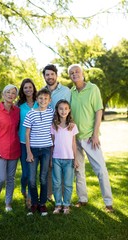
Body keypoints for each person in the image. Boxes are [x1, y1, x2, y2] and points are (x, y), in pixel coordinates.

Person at [68, 63, 113, 212]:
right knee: (78, 170)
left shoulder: (93, 88)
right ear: (70, 76)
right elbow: (70, 113)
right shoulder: (71, 92)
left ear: (83, 73)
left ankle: (108, 203)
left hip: (90, 138)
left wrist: (95, 134)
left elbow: (98, 111)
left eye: (77, 71)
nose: (75, 74)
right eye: (72, 73)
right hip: (75, 138)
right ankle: (82, 199)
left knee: (100, 169)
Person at [0, 84, 20, 212]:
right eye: (8, 92)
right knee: (1, 178)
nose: (10, 95)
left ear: (15, 96)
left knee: (11, 179)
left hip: (14, 149)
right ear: (3, 94)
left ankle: (8, 202)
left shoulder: (17, 111)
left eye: (13, 93)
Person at [42, 64, 71, 201]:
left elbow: (71, 109)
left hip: (62, 132)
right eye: (47, 75)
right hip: (46, 133)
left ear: (56, 75)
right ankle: (49, 194)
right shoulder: (41, 92)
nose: (50, 77)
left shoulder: (66, 91)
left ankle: (65, 196)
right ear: (44, 77)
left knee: (64, 162)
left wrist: (71, 123)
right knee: (49, 164)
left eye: (52, 74)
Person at [23, 88, 53, 216]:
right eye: (40, 98)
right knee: (31, 179)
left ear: (49, 100)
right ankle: (34, 203)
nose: (43, 100)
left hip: (46, 149)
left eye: (46, 98)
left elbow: (60, 123)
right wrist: (28, 152)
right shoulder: (31, 113)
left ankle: (42, 204)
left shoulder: (52, 112)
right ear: (37, 99)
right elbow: (27, 134)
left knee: (43, 178)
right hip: (34, 150)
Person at [51, 100, 79, 214]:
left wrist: (76, 159)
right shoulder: (53, 125)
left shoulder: (72, 126)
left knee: (68, 183)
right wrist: (50, 160)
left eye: (66, 108)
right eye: (61, 109)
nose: (63, 111)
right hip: (56, 158)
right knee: (56, 183)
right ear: (57, 110)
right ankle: (58, 204)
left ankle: (66, 204)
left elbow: (74, 143)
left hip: (69, 159)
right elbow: (52, 144)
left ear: (69, 110)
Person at [18, 78, 38, 209]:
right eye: (25, 88)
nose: (28, 90)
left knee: (32, 173)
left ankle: (30, 200)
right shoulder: (19, 106)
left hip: (37, 143)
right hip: (23, 142)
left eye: (30, 87)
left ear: (33, 88)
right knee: (26, 173)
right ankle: (23, 186)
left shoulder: (40, 103)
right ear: (22, 90)